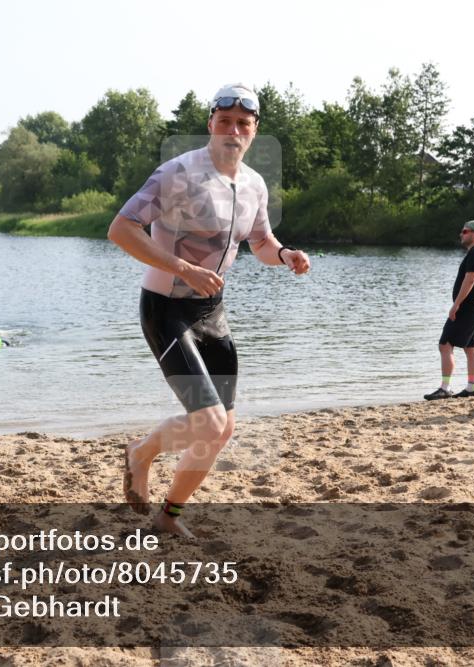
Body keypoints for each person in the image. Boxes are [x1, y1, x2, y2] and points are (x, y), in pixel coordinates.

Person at [108, 83, 311, 537]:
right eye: (225, 122)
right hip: (166, 308)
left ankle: (168, 517)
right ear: (211, 125)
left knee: (222, 430)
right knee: (209, 421)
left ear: (255, 130)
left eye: (243, 123)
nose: (233, 131)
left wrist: (285, 255)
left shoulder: (255, 185)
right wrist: (183, 266)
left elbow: (259, 241)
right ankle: (142, 453)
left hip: (212, 313)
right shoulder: (177, 173)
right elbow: (121, 229)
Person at [424, 220, 474, 400]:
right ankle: (471, 388)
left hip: (468, 307)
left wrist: (456, 305)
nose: (461, 234)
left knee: (445, 344)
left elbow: (470, 279)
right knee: (471, 348)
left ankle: (445, 388)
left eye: (465, 231)